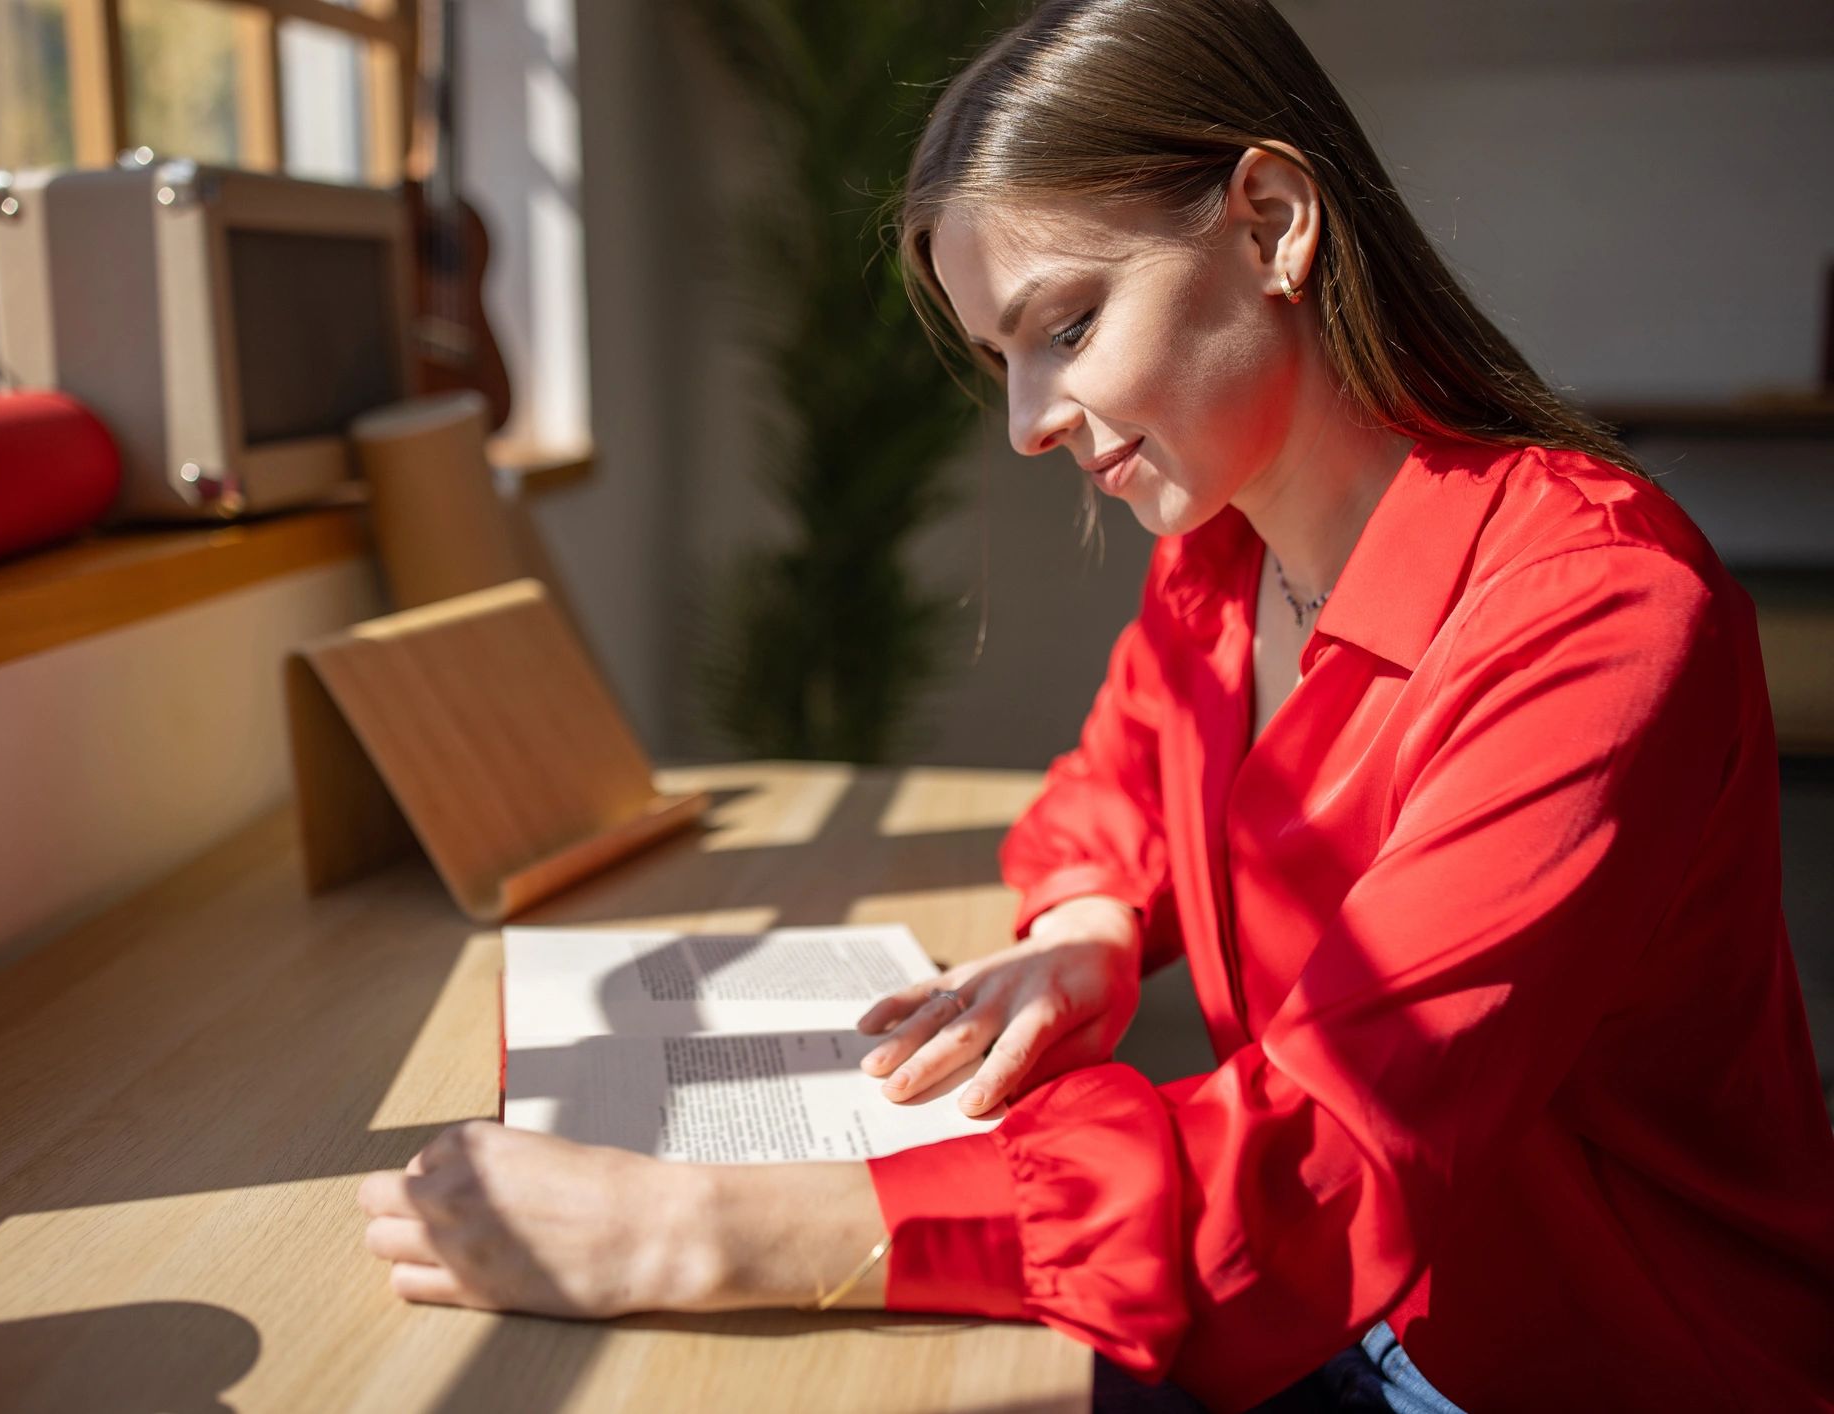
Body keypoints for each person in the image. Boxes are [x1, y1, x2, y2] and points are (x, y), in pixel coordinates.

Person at [357, 1, 1834, 1408]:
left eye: (1065, 326)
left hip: (1585, 1373)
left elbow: (1327, 1156)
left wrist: (689, 1227)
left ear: (1274, 221)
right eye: (1002, 359)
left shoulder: (1596, 614)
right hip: (1337, 1329)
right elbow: (1113, 787)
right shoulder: (1220, 550)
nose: (1024, 424)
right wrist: (1086, 931)